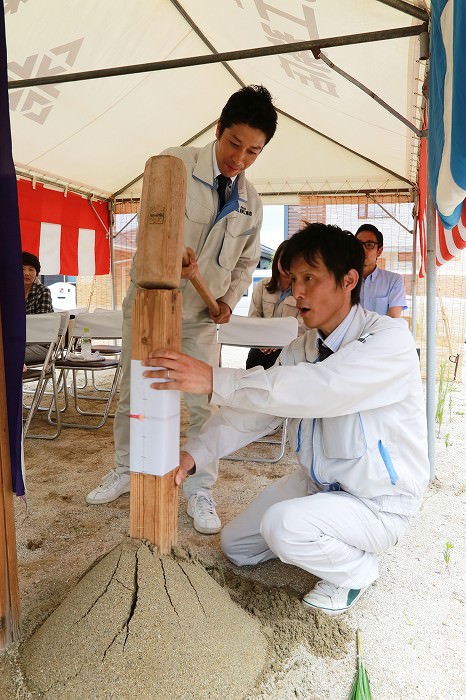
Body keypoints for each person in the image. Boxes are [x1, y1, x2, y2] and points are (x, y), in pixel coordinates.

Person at [145, 223, 430, 616]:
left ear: (349, 280)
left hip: (376, 503)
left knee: (284, 527)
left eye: (310, 278)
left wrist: (216, 378)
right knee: (237, 547)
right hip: (318, 487)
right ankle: (316, 536)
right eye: (294, 279)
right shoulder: (303, 347)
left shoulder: (389, 340)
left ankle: (358, 570)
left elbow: (323, 387)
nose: (297, 292)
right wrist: (192, 455)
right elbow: (254, 412)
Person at [86, 85, 278, 537]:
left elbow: (248, 261)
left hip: (200, 318)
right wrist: (169, 255)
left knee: (204, 402)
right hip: (152, 304)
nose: (240, 159)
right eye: (234, 144)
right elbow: (151, 228)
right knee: (136, 390)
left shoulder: (253, 203)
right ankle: (126, 470)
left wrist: (229, 299)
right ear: (218, 130)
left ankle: (199, 487)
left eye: (253, 151)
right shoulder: (172, 165)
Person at [246, 239, 305, 370]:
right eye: (283, 259)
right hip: (260, 347)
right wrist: (264, 341)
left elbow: (303, 324)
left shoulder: (303, 292)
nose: (286, 265)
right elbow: (253, 317)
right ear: (277, 260)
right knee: (253, 364)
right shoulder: (262, 286)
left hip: (288, 348)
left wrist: (278, 340)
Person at [355, 224, 407, 317]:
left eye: (369, 245)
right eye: (358, 244)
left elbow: (392, 320)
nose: (362, 250)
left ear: (379, 251)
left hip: (382, 331)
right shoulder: (344, 280)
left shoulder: (393, 281)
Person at [23, 251, 54, 364]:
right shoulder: (11, 293)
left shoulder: (43, 291)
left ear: (36, 273)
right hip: (17, 342)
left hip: (42, 345)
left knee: (8, 355)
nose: (26, 273)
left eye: (31, 269)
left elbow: (41, 325)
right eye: (22, 269)